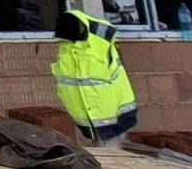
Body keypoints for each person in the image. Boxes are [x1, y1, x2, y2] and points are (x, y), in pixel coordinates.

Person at [50, 8, 138, 143]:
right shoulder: (66, 50)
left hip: (112, 116)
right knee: (99, 150)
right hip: (87, 120)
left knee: (112, 150)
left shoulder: (100, 46)